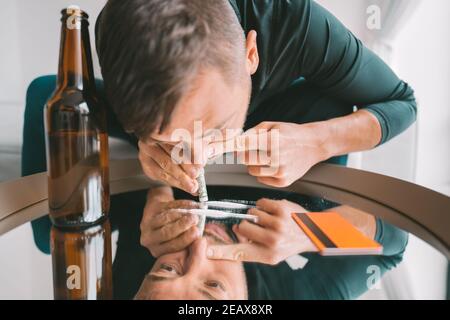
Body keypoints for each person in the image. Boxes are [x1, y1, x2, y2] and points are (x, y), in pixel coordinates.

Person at [95, 0, 417, 254]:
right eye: (173, 139)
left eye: (215, 129)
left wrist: (318, 142)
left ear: (251, 53)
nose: (202, 156)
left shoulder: (292, 21)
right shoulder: (119, 39)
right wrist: (153, 163)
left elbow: (402, 104)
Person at [134, 186, 409, 300]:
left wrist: (157, 189)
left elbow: (107, 108)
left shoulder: (125, 271)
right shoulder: (307, 291)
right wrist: (311, 231)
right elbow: (396, 238)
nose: (199, 249)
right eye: (214, 286)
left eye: (168, 269)